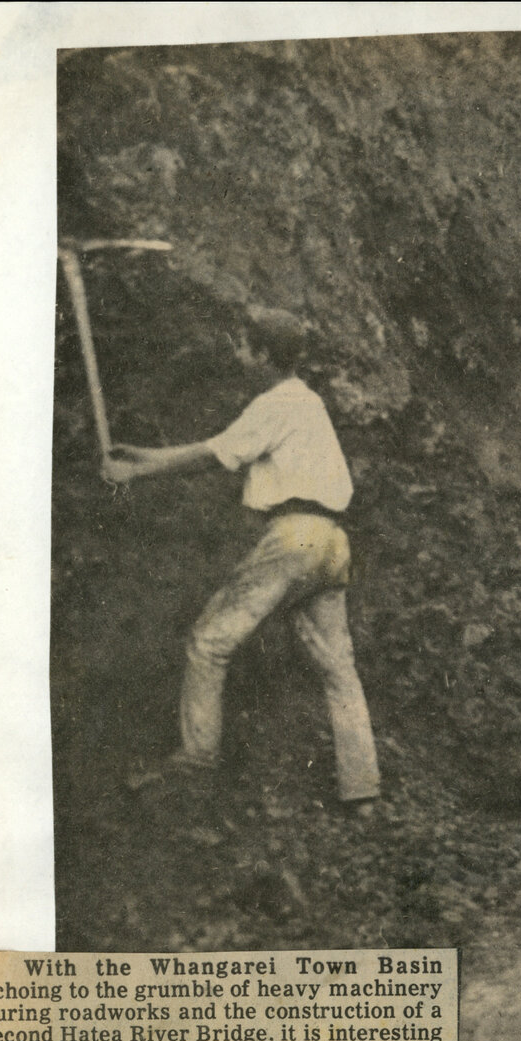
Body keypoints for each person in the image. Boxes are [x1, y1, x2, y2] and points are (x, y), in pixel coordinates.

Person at [104, 307, 381, 812]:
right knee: (339, 669)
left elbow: (214, 457)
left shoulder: (274, 403)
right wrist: (141, 456)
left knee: (209, 641)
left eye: (243, 345)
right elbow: (218, 447)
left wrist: (134, 475)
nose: (238, 353)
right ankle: (362, 793)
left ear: (261, 354)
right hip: (334, 541)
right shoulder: (309, 403)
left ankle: (196, 758)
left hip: (295, 536)